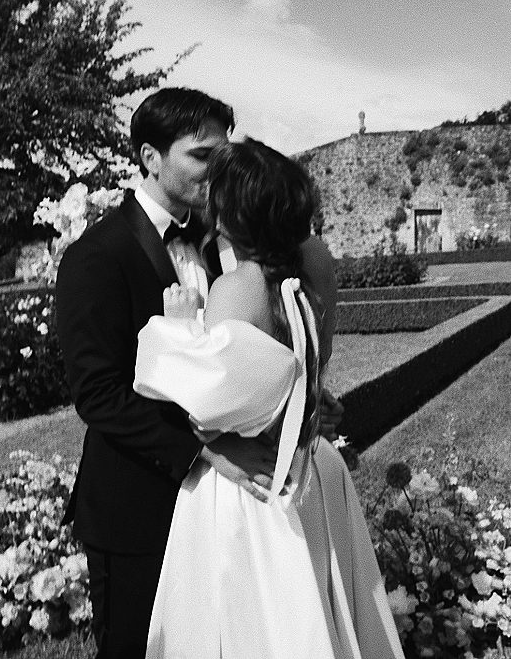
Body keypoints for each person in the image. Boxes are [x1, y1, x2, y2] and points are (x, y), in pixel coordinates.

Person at [55, 87, 343, 659]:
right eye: (203, 155)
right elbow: (98, 393)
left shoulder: (225, 243)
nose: (219, 169)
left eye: (223, 153)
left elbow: (237, 353)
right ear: (150, 158)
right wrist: (206, 451)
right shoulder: (97, 255)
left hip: (225, 511)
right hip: (139, 505)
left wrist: (294, 397)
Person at [134, 138, 405, 659]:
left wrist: (180, 327)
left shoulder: (237, 288)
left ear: (227, 212)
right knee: (320, 609)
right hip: (313, 466)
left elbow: (209, 413)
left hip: (256, 481)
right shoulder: (316, 262)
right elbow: (306, 365)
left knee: (257, 627)